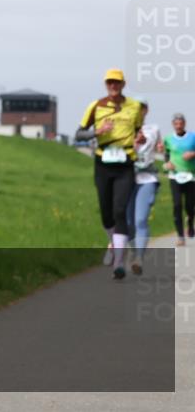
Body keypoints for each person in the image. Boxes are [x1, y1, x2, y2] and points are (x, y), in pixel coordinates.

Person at [75, 68, 146, 280]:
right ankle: (115, 243)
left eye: (117, 83)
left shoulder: (134, 106)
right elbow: (78, 133)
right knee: (107, 214)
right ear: (106, 85)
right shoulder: (96, 106)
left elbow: (138, 131)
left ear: (123, 84)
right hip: (103, 162)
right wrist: (96, 131)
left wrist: (139, 139)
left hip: (125, 163)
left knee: (120, 210)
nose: (113, 86)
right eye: (109, 83)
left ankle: (118, 263)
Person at [125, 96, 160, 275]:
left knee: (140, 219)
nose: (139, 110)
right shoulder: (124, 129)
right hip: (127, 180)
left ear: (146, 110)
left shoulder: (153, 129)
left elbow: (154, 143)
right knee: (128, 222)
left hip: (147, 179)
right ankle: (133, 248)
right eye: (136, 107)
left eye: (142, 108)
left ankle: (139, 257)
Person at [164, 113, 195, 246]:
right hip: (174, 176)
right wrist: (167, 164)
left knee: (190, 205)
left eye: (181, 123)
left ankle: (190, 222)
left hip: (191, 176)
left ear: (184, 124)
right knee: (177, 205)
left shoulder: (193, 137)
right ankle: (180, 236)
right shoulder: (168, 138)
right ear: (173, 125)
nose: (178, 126)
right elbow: (166, 154)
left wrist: (193, 153)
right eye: (176, 124)